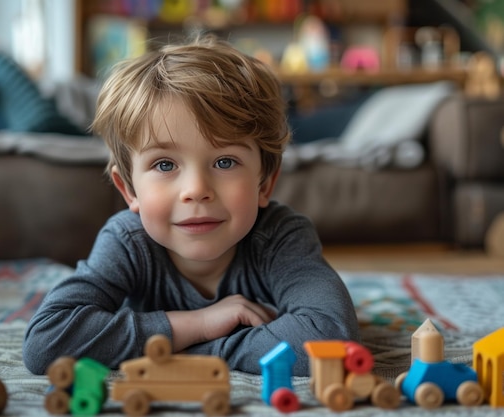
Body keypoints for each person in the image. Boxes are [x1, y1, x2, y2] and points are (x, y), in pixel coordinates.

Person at [23, 36, 359, 376]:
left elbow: (331, 336)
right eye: (165, 165)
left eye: (225, 162)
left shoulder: (280, 236)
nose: (196, 190)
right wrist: (197, 325)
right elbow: (45, 343)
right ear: (129, 191)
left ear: (264, 183)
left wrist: (190, 349)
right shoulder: (128, 241)